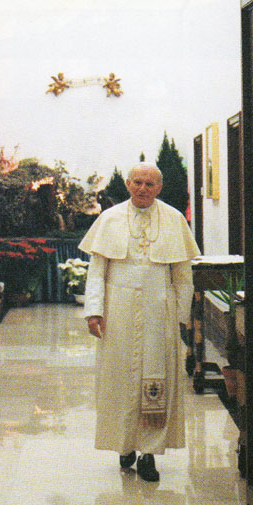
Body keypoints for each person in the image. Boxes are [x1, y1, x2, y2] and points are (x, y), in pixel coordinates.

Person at [79, 163, 199, 482]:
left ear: (159, 187)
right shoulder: (110, 218)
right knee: (119, 379)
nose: (143, 188)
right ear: (128, 184)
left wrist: (181, 319)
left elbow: (183, 277)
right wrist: (94, 311)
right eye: (137, 182)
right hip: (117, 310)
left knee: (157, 378)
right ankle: (124, 444)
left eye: (149, 184)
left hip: (160, 310)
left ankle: (149, 453)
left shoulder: (174, 219)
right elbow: (96, 273)